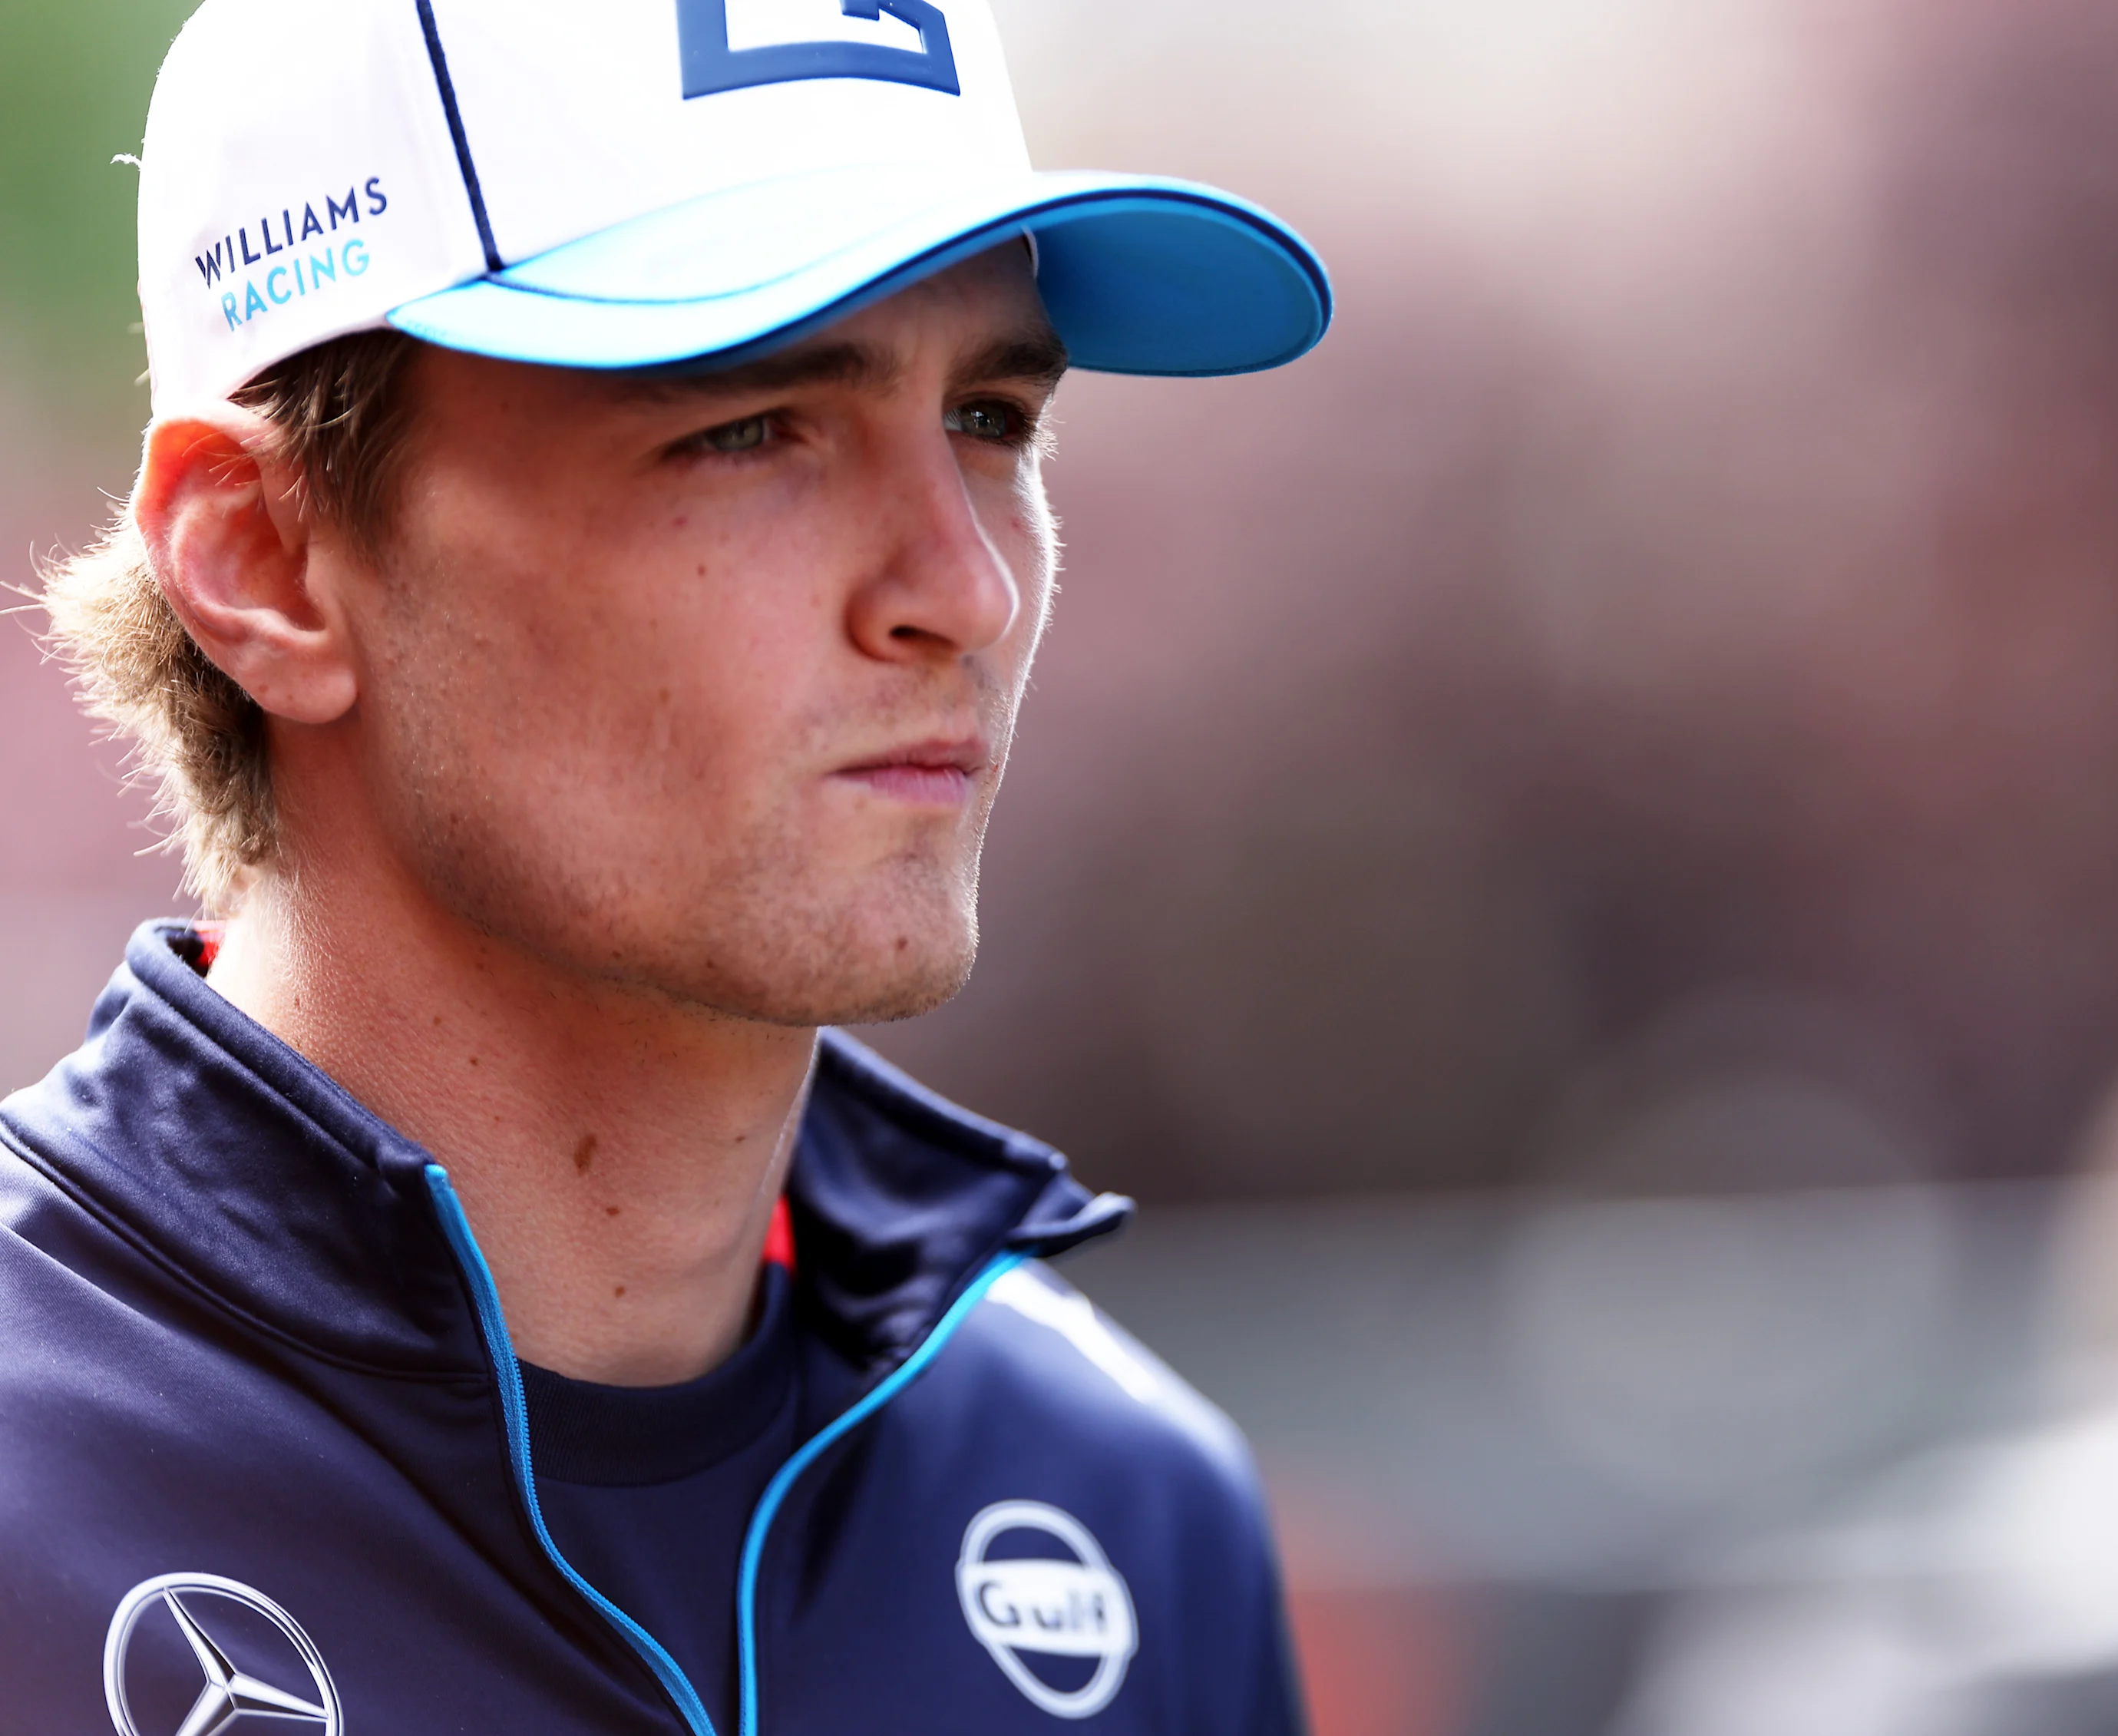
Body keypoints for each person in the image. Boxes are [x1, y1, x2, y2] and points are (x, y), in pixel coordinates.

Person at [0, 1, 1330, 1731]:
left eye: (993, 417)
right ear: (263, 559)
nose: (964, 587)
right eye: (753, 424)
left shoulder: (1135, 1517)